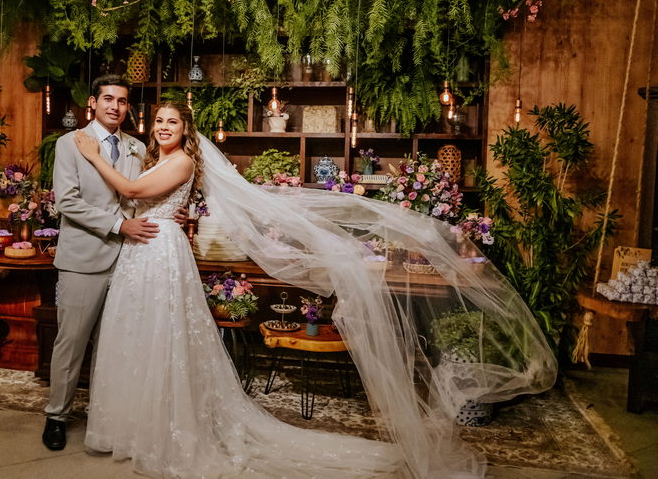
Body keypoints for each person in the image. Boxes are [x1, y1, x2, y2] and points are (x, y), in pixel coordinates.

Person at [72, 102, 558, 478]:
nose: (163, 127)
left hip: (159, 253)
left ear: (186, 130)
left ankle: (166, 430)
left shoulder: (180, 162)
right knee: (140, 338)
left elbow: (131, 193)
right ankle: (139, 426)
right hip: (141, 251)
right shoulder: (155, 159)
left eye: (172, 122)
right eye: (158, 120)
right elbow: (138, 199)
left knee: (163, 337)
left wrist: (92, 155)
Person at [43, 75, 184, 451]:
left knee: (117, 344)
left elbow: (142, 196)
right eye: (108, 99)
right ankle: (57, 416)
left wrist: (171, 213)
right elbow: (67, 201)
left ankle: (107, 418)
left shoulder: (138, 147)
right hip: (84, 258)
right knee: (71, 342)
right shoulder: (70, 143)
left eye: (122, 101)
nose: (115, 107)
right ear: (93, 102)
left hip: (132, 260)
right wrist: (119, 225)